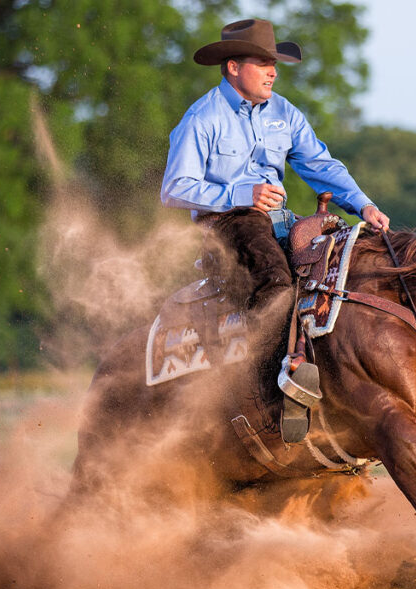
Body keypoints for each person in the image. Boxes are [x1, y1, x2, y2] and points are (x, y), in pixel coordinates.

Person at [160, 18, 390, 441]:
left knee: (349, 268)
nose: (273, 71)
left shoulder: (285, 113)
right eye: (263, 62)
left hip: (278, 221)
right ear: (232, 67)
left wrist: (363, 204)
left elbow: (319, 164)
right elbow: (174, 188)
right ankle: (270, 391)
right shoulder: (202, 117)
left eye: (274, 63)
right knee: (277, 285)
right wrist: (239, 194)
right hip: (227, 225)